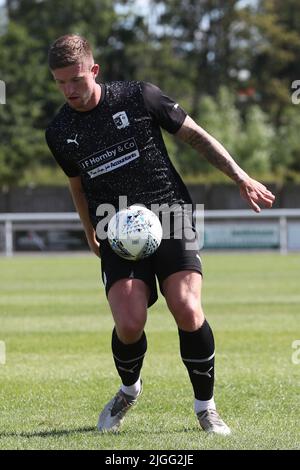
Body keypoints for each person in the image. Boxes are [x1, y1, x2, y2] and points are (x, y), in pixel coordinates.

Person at [45, 34, 275, 435]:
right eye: (60, 82)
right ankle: (129, 389)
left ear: (94, 71)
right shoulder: (60, 130)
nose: (69, 91)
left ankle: (206, 408)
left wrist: (240, 176)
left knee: (187, 308)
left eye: (76, 80)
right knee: (130, 323)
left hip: (169, 214)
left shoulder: (139, 98)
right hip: (114, 227)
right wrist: (89, 231)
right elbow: (77, 185)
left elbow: (196, 135)